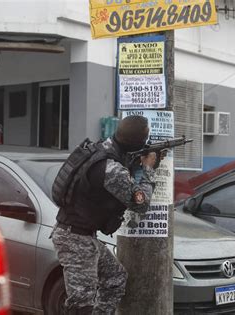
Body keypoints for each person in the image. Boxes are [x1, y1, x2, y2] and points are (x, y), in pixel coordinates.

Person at [51, 115, 158, 315]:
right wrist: (149, 169)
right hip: (74, 238)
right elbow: (140, 204)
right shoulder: (111, 169)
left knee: (115, 280)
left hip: (83, 237)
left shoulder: (103, 149)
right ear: (138, 142)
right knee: (81, 305)